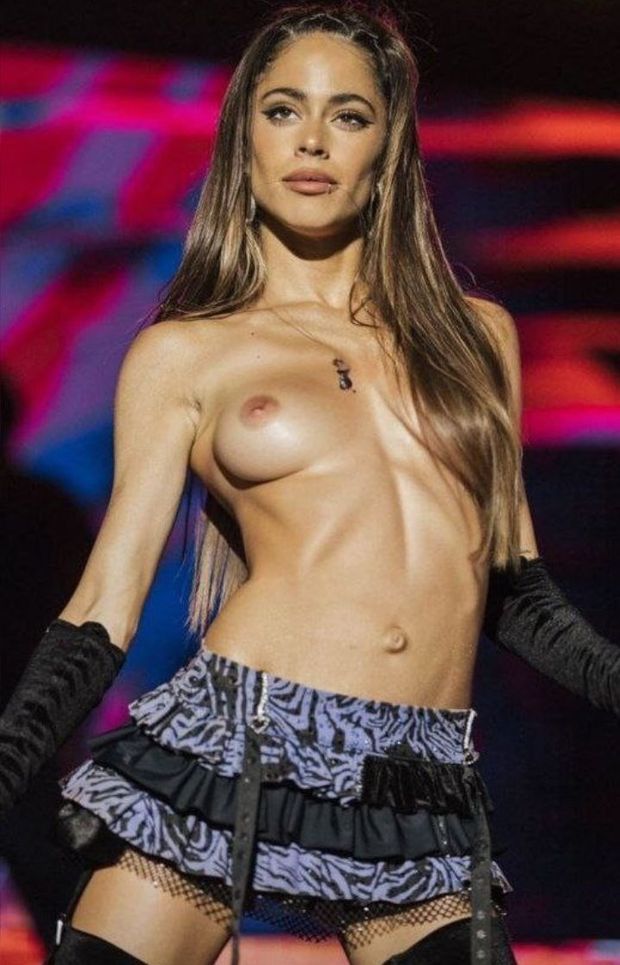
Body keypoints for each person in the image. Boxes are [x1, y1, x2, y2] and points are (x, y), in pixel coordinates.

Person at [1, 5, 618, 965]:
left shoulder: (477, 337)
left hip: (418, 777)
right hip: (236, 745)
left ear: (389, 145)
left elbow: (514, 587)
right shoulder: (187, 352)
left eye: (350, 114)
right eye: (284, 109)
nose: (314, 140)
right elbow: (103, 604)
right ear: (244, 134)